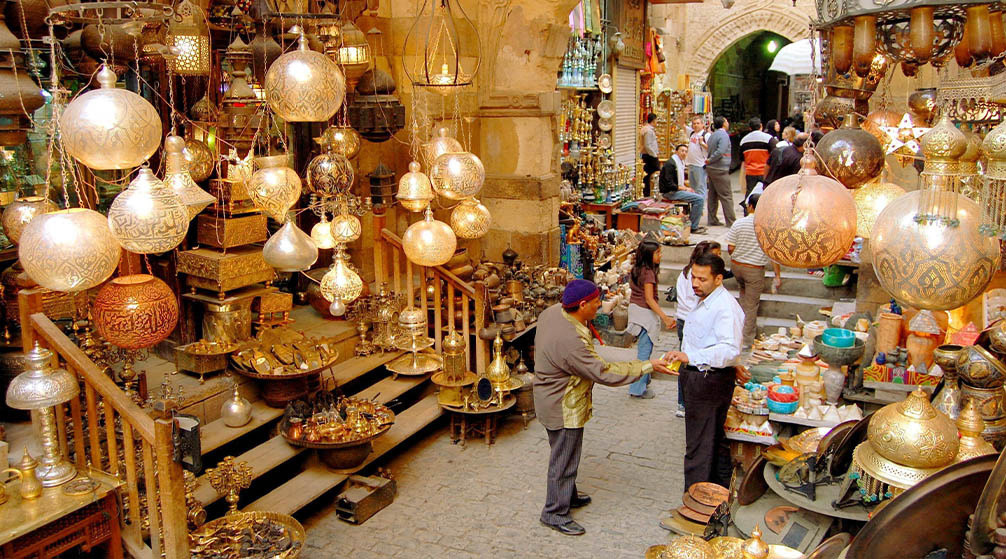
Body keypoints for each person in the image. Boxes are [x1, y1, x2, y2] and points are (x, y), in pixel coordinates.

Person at [534, 279, 674, 536]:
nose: (601, 307)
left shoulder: (553, 312)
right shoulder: (571, 341)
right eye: (597, 303)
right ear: (582, 304)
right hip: (563, 405)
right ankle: (554, 512)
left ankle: (568, 495)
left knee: (566, 452)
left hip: (549, 396)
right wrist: (647, 365)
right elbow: (604, 372)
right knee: (563, 458)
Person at [663, 253, 743, 489]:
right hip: (700, 377)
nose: (695, 284)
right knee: (713, 442)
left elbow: (730, 350)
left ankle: (695, 503)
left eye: (702, 279)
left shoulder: (725, 307)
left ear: (718, 279)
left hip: (708, 380)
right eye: (693, 278)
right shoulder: (706, 299)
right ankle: (718, 497)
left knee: (699, 447)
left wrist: (691, 356)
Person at [673, 240, 722, 417]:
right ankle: (684, 402)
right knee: (688, 362)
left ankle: (687, 402)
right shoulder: (689, 276)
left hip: (688, 319)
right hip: (688, 321)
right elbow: (692, 301)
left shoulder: (687, 274)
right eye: (715, 255)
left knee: (691, 361)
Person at [726, 193, 781, 348]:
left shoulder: (738, 223)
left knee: (744, 299)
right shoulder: (767, 227)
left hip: (737, 266)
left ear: (749, 206)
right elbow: (773, 254)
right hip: (754, 270)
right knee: (750, 306)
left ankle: (737, 332)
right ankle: (746, 340)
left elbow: (731, 247)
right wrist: (777, 275)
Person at [626, 240, 676, 399]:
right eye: (657, 253)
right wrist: (665, 317)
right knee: (644, 354)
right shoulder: (648, 273)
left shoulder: (637, 269)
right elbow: (649, 299)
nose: (660, 255)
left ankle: (644, 380)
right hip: (644, 315)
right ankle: (637, 388)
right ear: (649, 255)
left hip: (635, 311)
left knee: (643, 349)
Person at [659, 144, 707, 234]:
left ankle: (691, 223)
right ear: (676, 152)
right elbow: (669, 184)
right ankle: (693, 226)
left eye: (685, 151)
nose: (684, 153)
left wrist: (686, 188)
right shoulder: (671, 164)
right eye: (682, 151)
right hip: (670, 192)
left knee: (697, 196)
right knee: (699, 199)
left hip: (676, 190)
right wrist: (684, 189)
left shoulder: (680, 162)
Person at [705, 116, 735, 227]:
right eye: (726, 121)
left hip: (712, 168)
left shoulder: (713, 135)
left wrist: (709, 161)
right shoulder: (723, 135)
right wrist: (710, 159)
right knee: (726, 195)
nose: (728, 123)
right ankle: (731, 221)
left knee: (713, 194)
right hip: (720, 168)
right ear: (723, 123)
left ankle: (712, 218)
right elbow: (720, 151)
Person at [739, 117, 773, 199]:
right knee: (765, 194)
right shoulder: (768, 138)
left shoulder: (744, 141)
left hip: (750, 172)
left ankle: (749, 211)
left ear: (750, 128)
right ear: (761, 126)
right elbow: (775, 154)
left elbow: (742, 158)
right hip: (765, 172)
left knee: (750, 194)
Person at [685, 116, 710, 198]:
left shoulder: (706, 135)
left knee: (700, 187)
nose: (696, 125)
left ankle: (701, 207)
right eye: (694, 124)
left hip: (700, 165)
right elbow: (682, 124)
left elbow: (711, 148)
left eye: (698, 123)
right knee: (693, 188)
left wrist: (702, 143)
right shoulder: (692, 133)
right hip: (691, 164)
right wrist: (684, 113)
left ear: (703, 125)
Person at [640, 113, 660, 196]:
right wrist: (654, 155)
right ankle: (647, 193)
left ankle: (648, 193)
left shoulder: (647, 129)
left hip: (649, 155)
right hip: (649, 156)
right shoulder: (648, 131)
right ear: (654, 120)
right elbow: (647, 145)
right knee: (651, 175)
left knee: (647, 176)